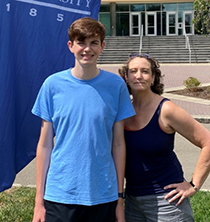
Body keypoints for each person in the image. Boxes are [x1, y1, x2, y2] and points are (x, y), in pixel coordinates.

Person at [31, 17, 135, 222]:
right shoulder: (52, 85)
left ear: (102, 46)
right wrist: (38, 202)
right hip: (60, 194)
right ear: (70, 46)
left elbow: (118, 144)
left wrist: (119, 199)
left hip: (103, 194)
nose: (87, 49)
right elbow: (44, 146)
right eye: (81, 42)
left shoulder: (116, 86)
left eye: (94, 42)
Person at [118, 53, 210, 222]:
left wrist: (193, 185)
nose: (139, 76)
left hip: (167, 201)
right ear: (126, 77)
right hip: (133, 200)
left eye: (145, 71)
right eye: (133, 71)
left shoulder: (166, 110)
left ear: (153, 77)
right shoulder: (123, 110)